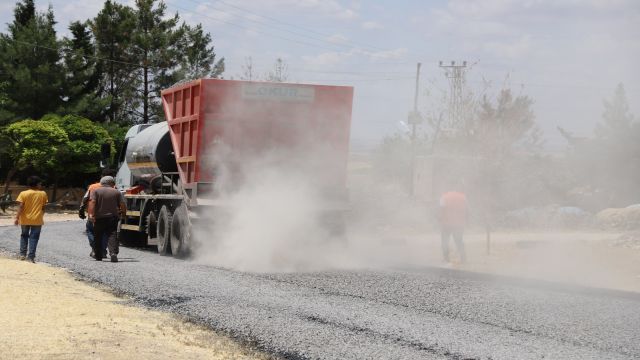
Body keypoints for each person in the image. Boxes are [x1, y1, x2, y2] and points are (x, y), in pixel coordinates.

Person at [79, 169, 117, 258]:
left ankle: (96, 249)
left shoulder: (92, 187)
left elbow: (85, 199)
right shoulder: (114, 188)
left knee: (90, 230)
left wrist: (81, 210)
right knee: (104, 234)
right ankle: (102, 251)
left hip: (93, 215)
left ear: (101, 176)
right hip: (109, 215)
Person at [88, 176, 126, 262]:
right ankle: (113, 253)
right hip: (112, 218)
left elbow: (92, 203)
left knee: (98, 236)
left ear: (102, 183)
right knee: (112, 235)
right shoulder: (116, 192)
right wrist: (124, 213)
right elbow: (122, 204)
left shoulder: (96, 191)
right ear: (112, 183)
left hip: (99, 218)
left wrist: (91, 215)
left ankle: (98, 255)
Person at [14, 176, 48, 263]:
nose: (41, 185)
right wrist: (41, 215)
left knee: (24, 236)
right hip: (37, 220)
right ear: (37, 184)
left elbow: (21, 206)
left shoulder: (23, 193)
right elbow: (43, 207)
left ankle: (22, 254)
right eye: (40, 183)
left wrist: (17, 217)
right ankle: (31, 257)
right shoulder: (43, 194)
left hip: (25, 219)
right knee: (34, 238)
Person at [438, 186, 468, 263]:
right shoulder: (463, 197)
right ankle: (463, 258)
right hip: (459, 224)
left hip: (446, 224)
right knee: (459, 241)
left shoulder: (444, 197)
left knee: (445, 241)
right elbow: (466, 210)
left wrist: (440, 219)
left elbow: (441, 210)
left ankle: (446, 259)